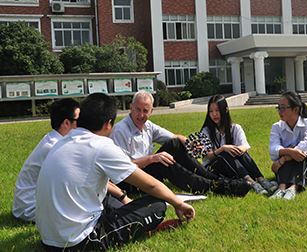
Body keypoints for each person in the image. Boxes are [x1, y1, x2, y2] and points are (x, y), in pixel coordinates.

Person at [35, 93, 195, 251]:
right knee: (157, 205)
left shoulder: (61, 141)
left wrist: (124, 198)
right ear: (108, 124)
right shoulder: (100, 145)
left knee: (107, 194)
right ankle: (142, 229)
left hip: (48, 239)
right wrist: (178, 203)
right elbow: (150, 185)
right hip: (77, 243)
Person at [111, 91, 250, 197]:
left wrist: (197, 147)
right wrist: (152, 158)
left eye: (145, 111)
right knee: (162, 161)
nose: (141, 115)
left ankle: (217, 180)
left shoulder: (148, 126)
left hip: (146, 171)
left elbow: (175, 139)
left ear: (151, 111)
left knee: (175, 144)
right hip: (131, 180)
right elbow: (122, 168)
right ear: (131, 107)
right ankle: (214, 187)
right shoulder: (120, 130)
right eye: (138, 110)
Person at [12, 98, 80, 222]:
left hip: (29, 203)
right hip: (30, 208)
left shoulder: (53, 139)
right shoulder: (55, 147)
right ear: (66, 123)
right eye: (79, 120)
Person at [200, 95, 278, 196]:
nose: (214, 114)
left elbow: (244, 146)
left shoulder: (235, 128)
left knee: (241, 153)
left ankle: (261, 180)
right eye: (211, 111)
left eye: (217, 110)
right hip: (213, 168)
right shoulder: (206, 131)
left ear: (226, 110)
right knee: (225, 153)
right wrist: (223, 148)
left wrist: (236, 149)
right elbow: (207, 156)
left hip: (230, 165)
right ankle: (252, 183)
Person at [269, 91, 307, 200]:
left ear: (296, 109)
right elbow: (273, 150)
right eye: (278, 108)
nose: (280, 111)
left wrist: (284, 158)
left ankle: (293, 188)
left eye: (283, 108)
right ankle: (282, 188)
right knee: (289, 152)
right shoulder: (276, 127)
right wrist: (290, 152)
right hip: (287, 168)